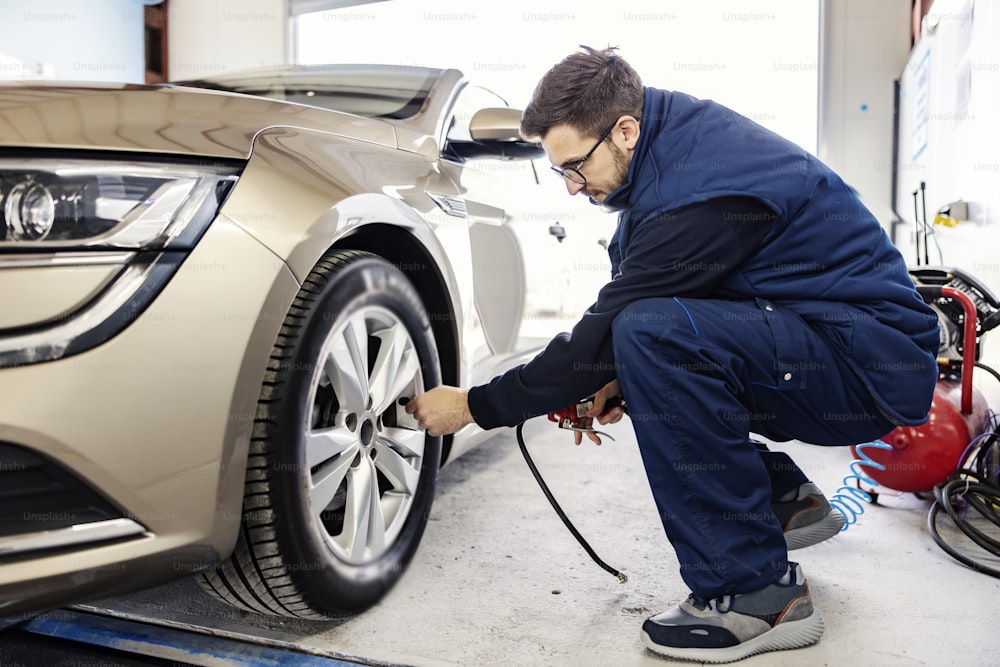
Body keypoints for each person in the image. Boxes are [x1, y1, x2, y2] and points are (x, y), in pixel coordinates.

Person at [405, 46, 939, 662]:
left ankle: (757, 596)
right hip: (825, 343)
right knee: (646, 342)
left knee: (648, 334)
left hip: (863, 368)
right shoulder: (670, 153)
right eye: (560, 174)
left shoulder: (704, 190)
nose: (574, 189)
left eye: (575, 167)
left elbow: (616, 327)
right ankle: (779, 500)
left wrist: (476, 405)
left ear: (624, 131)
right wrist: (615, 380)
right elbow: (672, 312)